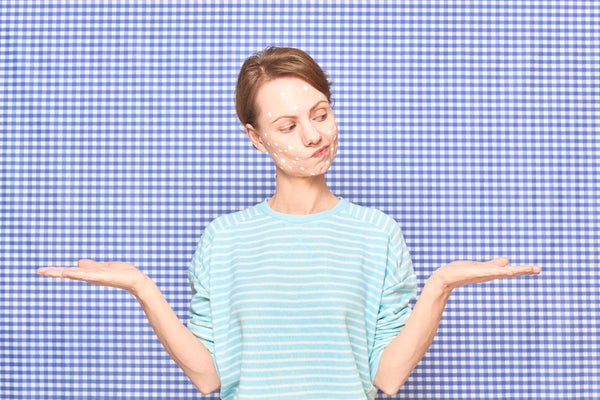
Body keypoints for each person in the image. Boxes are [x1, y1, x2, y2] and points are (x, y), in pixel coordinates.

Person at [37, 46, 541, 400]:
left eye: (320, 114)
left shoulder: (378, 233)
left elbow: (387, 378)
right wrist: (141, 286)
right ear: (257, 138)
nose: (313, 135)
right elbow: (209, 378)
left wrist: (440, 286)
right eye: (288, 126)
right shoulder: (224, 239)